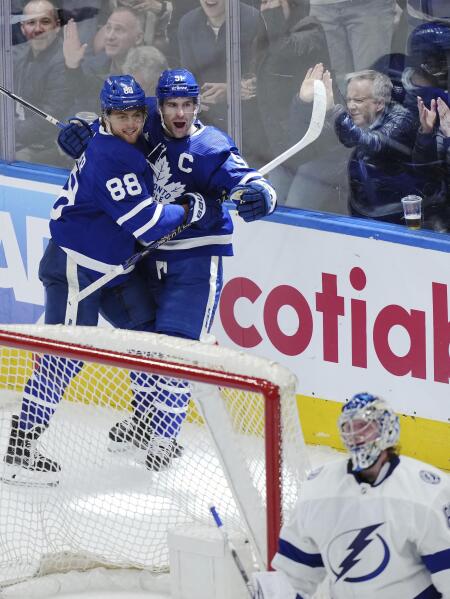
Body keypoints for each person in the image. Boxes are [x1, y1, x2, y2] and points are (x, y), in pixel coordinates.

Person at [34, 68, 277, 478]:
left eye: (188, 105)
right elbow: (107, 125)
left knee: (177, 347)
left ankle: (166, 436)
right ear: (157, 107)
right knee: (145, 343)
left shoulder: (210, 145)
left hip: (195, 258)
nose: (180, 113)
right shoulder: (142, 122)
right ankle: (145, 422)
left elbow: (244, 177)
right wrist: (80, 131)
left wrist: (261, 194)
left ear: (199, 106)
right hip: (148, 253)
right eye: (171, 105)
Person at [2, 75, 208, 487]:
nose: (131, 123)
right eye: (120, 116)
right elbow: (147, 224)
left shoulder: (112, 135)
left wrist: (86, 126)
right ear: (106, 115)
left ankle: (145, 424)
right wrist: (190, 209)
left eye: (136, 114)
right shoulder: (112, 158)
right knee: (66, 355)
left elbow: (160, 104)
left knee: (144, 335)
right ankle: (19, 449)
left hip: (112, 266)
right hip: (78, 268)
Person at [270, 392, 450, 598]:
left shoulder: (427, 492)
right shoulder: (318, 490)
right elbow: (294, 575)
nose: (356, 435)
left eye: (366, 427)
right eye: (349, 428)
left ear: (387, 429)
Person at [177, 0, 269, 165]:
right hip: (206, 123)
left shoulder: (254, 19)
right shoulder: (187, 24)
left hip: (248, 125)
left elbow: (261, 78)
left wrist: (231, 90)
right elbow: (188, 77)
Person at [12, 0, 74, 165]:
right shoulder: (20, 57)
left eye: (45, 21)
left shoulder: (64, 62)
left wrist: (8, 132)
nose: (37, 29)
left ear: (57, 25)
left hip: (52, 144)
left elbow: (49, 118)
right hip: (23, 136)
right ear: (22, 28)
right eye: (31, 22)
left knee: (16, 160)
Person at [62, 6, 145, 113]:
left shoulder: (149, 73)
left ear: (138, 38)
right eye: (108, 28)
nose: (110, 36)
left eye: (119, 30)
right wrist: (72, 64)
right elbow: (82, 89)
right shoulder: (98, 65)